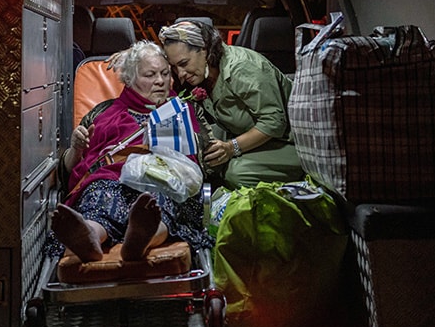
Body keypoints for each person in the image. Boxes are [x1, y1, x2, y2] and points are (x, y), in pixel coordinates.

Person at [47, 40, 213, 263]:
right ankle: (90, 237)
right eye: (150, 75)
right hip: (113, 179)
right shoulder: (103, 112)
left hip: (163, 179)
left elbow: (203, 159)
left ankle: (142, 238)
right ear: (130, 79)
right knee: (100, 193)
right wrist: (76, 148)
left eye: (165, 74)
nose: (160, 81)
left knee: (160, 197)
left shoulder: (183, 109)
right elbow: (69, 173)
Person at [159, 19, 303, 189]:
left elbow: (274, 122)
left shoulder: (241, 67)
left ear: (205, 49)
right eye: (175, 68)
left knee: (235, 172)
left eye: (183, 63)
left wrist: (231, 148)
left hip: (291, 143)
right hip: (246, 135)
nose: (181, 73)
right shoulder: (203, 76)